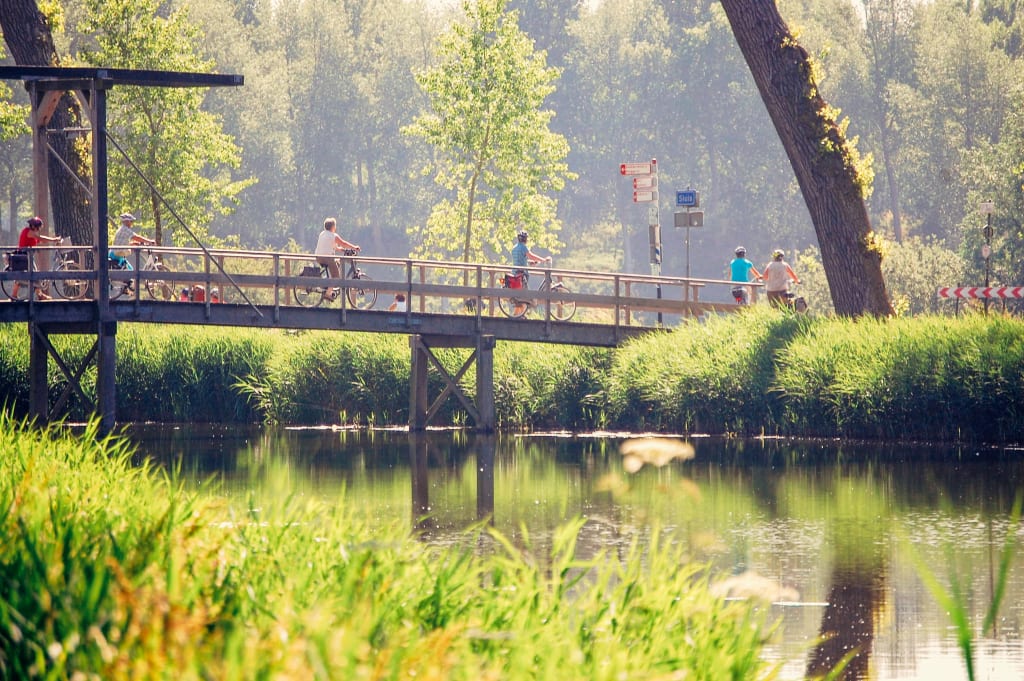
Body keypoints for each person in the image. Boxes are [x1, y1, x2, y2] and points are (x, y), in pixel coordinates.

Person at [11, 216, 62, 300]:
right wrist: (54, 239)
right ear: (34, 226)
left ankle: (16, 295)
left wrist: (52, 240)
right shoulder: (29, 232)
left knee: (32, 274)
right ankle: (39, 295)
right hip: (25, 256)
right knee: (33, 274)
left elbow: (41, 240)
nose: (39, 229)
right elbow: (41, 238)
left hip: (28, 256)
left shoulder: (31, 233)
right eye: (38, 227)